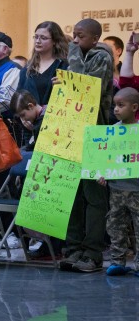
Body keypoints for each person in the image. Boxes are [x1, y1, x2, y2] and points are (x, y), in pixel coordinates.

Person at [59, 18, 114, 273]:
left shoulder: (101, 56)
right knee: (72, 192)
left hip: (95, 133)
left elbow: (85, 89)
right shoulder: (81, 54)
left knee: (94, 196)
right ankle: (73, 248)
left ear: (94, 38)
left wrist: (71, 54)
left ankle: (93, 252)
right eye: (73, 35)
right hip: (72, 130)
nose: (75, 39)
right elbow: (71, 87)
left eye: (80, 36)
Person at [97, 87, 139, 276]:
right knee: (115, 226)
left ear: (134, 107)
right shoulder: (112, 131)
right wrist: (102, 173)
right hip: (116, 189)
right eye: (115, 105)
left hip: (136, 189)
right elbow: (107, 158)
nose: (116, 109)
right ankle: (117, 261)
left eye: (121, 105)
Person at [17, 21, 69, 107]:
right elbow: (19, 97)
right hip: (29, 119)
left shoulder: (64, 66)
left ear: (55, 41)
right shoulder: (27, 68)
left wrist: (63, 88)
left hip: (54, 117)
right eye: (36, 37)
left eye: (43, 38)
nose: (37, 41)